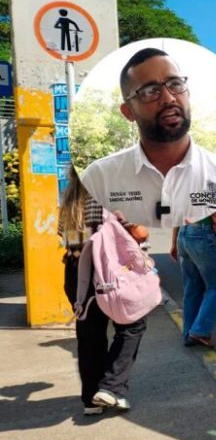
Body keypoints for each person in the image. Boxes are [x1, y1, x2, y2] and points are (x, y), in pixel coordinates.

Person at [81, 47, 216, 228]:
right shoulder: (99, 179)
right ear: (128, 112)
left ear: (188, 94)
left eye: (175, 84)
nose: (168, 99)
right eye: (150, 91)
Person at [58, 168, 149, 416]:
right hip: (109, 272)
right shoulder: (114, 196)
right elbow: (141, 233)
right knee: (132, 326)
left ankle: (91, 400)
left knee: (90, 334)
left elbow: (63, 237)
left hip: (77, 272)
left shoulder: (69, 200)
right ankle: (111, 387)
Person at [170, 212, 216, 348]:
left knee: (192, 288)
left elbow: (177, 211)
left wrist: (174, 242)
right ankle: (199, 331)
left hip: (183, 232)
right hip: (200, 231)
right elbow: (208, 199)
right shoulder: (202, 189)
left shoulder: (181, 188)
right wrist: (215, 217)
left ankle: (188, 334)